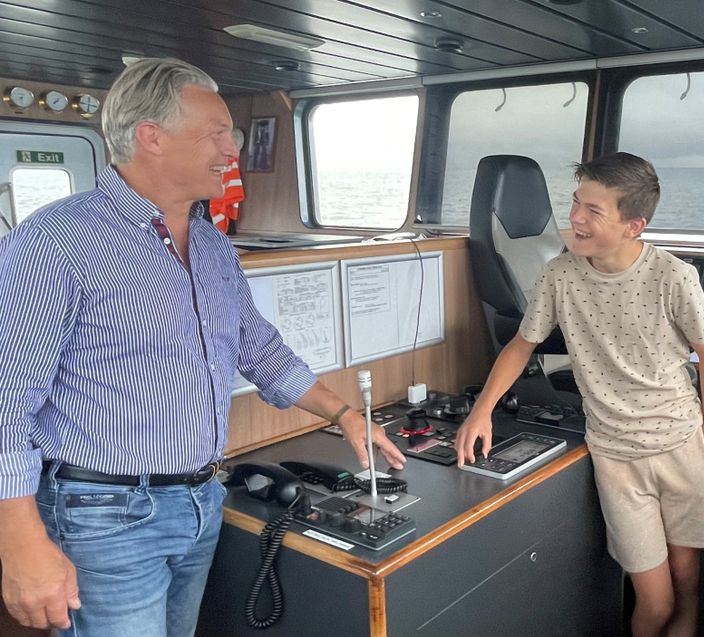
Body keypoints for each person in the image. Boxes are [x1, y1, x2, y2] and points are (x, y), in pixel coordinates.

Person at [0, 57, 405, 637]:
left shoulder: (212, 246)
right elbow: (5, 402)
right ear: (152, 136)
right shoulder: (56, 241)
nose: (231, 149)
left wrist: (343, 415)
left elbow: (257, 346)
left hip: (199, 499)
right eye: (217, 132)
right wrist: (19, 545)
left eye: (231, 134)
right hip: (102, 514)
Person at [455, 152, 704, 637]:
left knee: (688, 579)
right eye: (575, 203)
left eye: (593, 211)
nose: (575, 218)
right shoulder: (559, 276)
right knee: (655, 600)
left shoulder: (674, 277)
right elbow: (521, 347)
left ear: (634, 225)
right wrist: (480, 412)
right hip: (617, 457)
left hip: (683, 445)